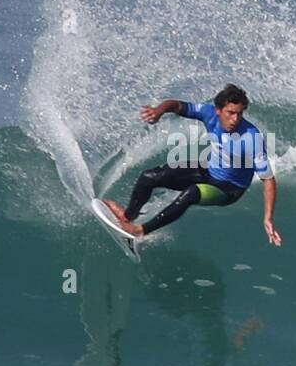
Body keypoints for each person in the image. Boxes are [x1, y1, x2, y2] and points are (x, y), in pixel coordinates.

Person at [102, 84, 282, 245]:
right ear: (218, 110)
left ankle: (141, 231)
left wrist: (268, 217)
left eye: (240, 113)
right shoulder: (208, 113)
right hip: (210, 170)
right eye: (231, 113)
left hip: (229, 189)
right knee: (149, 177)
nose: (235, 119)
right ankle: (127, 217)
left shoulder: (251, 138)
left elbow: (268, 179)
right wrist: (159, 111)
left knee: (192, 193)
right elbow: (177, 105)